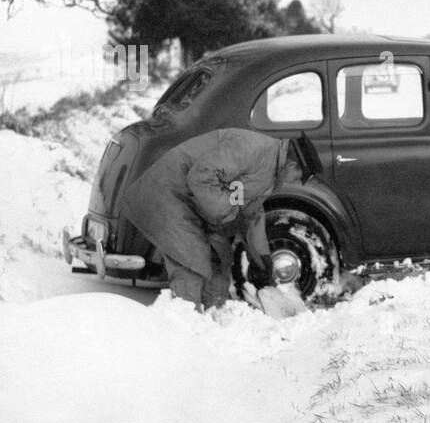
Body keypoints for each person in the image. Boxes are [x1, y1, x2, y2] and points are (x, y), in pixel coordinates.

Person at [121, 129, 301, 310]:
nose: (297, 183)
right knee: (193, 263)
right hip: (170, 193)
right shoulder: (253, 148)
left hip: (197, 205)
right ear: (293, 165)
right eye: (299, 177)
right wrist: (229, 214)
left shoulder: (271, 172)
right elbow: (201, 177)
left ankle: (210, 324)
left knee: (220, 262)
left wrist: (262, 260)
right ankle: (185, 328)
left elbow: (251, 212)